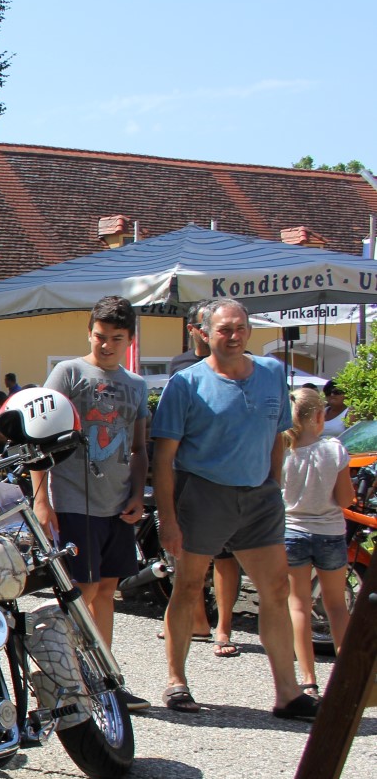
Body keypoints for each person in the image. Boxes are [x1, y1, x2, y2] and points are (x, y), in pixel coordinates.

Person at [151, 298, 309, 719]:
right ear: (204, 333)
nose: (234, 336)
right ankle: (176, 681)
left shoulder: (273, 373)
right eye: (224, 329)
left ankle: (288, 693)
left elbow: (278, 434)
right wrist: (167, 519)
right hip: (204, 494)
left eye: (240, 327)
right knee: (187, 587)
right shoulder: (185, 384)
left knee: (276, 590)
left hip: (259, 497)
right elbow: (163, 457)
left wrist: (272, 483)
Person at [30, 296, 150, 709]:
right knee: (82, 589)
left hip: (117, 503)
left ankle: (105, 676)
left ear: (129, 339)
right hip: (73, 498)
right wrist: (40, 501)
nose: (107, 345)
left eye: (117, 338)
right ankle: (70, 676)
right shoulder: (68, 373)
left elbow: (138, 448)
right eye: (100, 336)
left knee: (107, 591)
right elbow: (38, 438)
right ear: (89, 332)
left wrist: (138, 494)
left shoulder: (137, 385)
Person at [165, 300, 241, 651]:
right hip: (192, 475)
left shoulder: (238, 364)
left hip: (228, 473)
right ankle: (198, 622)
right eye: (199, 326)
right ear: (195, 331)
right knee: (190, 559)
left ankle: (224, 627)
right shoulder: (181, 367)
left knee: (225, 557)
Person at [281, 386, 354, 695]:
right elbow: (345, 498)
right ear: (320, 417)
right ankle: (348, 676)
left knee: (298, 604)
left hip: (292, 531)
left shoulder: (283, 452)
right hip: (329, 532)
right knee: (337, 605)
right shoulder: (334, 450)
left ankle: (308, 680)